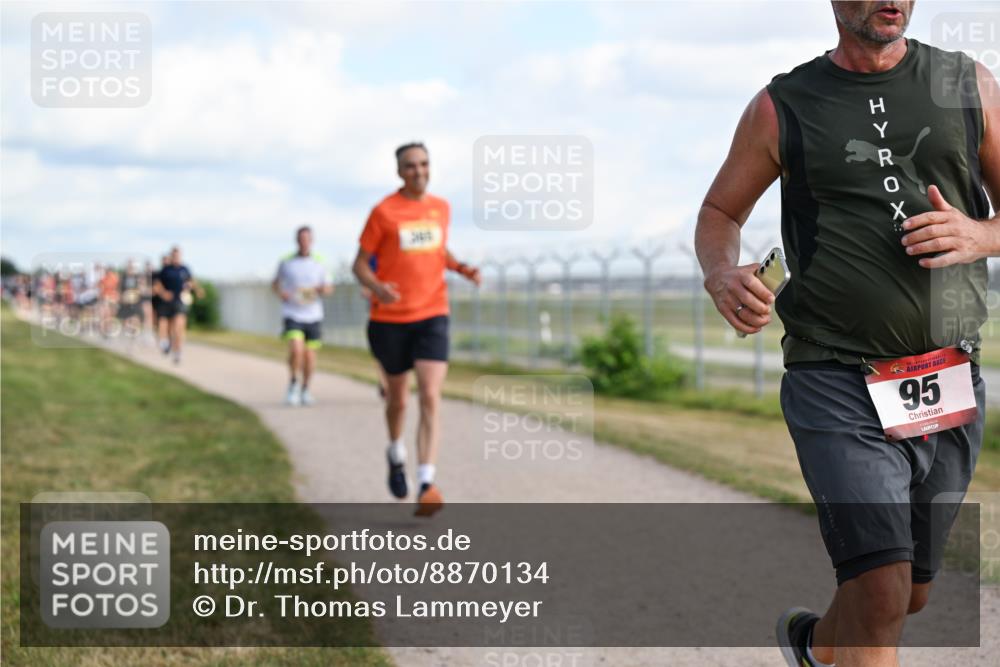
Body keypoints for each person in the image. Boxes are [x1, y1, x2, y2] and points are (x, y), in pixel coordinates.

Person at [694, 2, 999, 665]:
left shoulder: (966, 83)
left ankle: (813, 647)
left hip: (946, 378)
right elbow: (721, 211)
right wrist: (722, 272)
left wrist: (981, 234)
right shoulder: (784, 104)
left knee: (907, 592)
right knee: (881, 587)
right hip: (835, 377)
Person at [352, 142, 481, 516]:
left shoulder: (441, 208)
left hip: (432, 314)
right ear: (399, 172)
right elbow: (359, 265)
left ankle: (426, 482)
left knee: (430, 395)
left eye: (424, 164)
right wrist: (377, 288)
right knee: (399, 400)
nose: (418, 171)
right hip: (390, 320)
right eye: (410, 166)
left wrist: (462, 269)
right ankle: (396, 452)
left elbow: (439, 251)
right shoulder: (384, 212)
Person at [272, 226, 334, 406]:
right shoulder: (286, 261)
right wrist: (281, 293)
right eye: (301, 239)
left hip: (313, 314)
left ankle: (305, 388)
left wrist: (320, 290)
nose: (304, 242)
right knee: (296, 350)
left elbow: (329, 287)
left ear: (311, 241)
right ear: (296, 240)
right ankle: (293, 384)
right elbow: (275, 284)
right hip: (292, 312)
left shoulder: (320, 261)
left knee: (309, 356)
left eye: (307, 239)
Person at [154, 246, 203, 364]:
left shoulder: (185, 269)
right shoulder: (165, 270)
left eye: (178, 255)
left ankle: (177, 352)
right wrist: (164, 293)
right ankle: (165, 343)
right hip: (166, 302)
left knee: (178, 327)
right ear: (171, 256)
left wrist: (197, 290)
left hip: (180, 302)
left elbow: (191, 281)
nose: (176, 258)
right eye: (174, 255)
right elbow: (157, 284)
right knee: (165, 325)